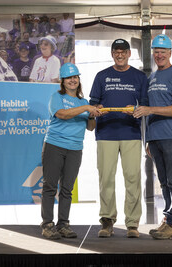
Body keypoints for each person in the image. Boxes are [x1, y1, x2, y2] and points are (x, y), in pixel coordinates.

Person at [89, 39, 148, 238]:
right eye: (116, 51)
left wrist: (137, 112)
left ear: (129, 54)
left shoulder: (139, 77)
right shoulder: (102, 76)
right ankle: (107, 221)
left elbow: (145, 107)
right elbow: (93, 105)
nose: (120, 54)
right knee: (106, 179)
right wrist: (96, 111)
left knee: (133, 178)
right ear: (112, 54)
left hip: (131, 133)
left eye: (123, 51)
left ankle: (132, 223)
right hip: (106, 133)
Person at [133, 34, 172, 240]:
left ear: (170, 53)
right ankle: (169, 220)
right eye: (156, 52)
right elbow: (146, 112)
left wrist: (149, 110)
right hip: (155, 138)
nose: (159, 55)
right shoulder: (152, 78)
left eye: (163, 52)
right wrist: (148, 139)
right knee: (164, 182)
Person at [40, 63, 101, 240]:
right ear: (63, 81)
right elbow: (62, 115)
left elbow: (90, 128)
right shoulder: (56, 97)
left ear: (78, 80)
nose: (72, 80)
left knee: (67, 189)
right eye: (69, 78)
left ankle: (63, 224)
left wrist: (92, 115)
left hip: (75, 149)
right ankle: (47, 224)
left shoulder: (83, 102)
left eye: (75, 77)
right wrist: (87, 108)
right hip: (54, 145)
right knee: (50, 186)